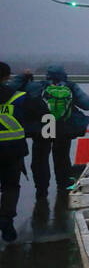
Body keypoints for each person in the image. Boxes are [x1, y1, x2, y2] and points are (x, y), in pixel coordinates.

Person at [23, 64, 89, 203]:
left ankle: (41, 190)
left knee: (40, 159)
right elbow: (88, 103)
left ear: (48, 75)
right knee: (62, 157)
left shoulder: (37, 86)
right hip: (63, 127)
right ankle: (63, 185)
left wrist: (25, 78)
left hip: (44, 126)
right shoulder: (70, 87)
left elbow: (16, 91)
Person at [0, 63, 31, 242]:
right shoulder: (18, 97)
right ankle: (6, 219)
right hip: (13, 150)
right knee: (11, 187)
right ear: (7, 77)